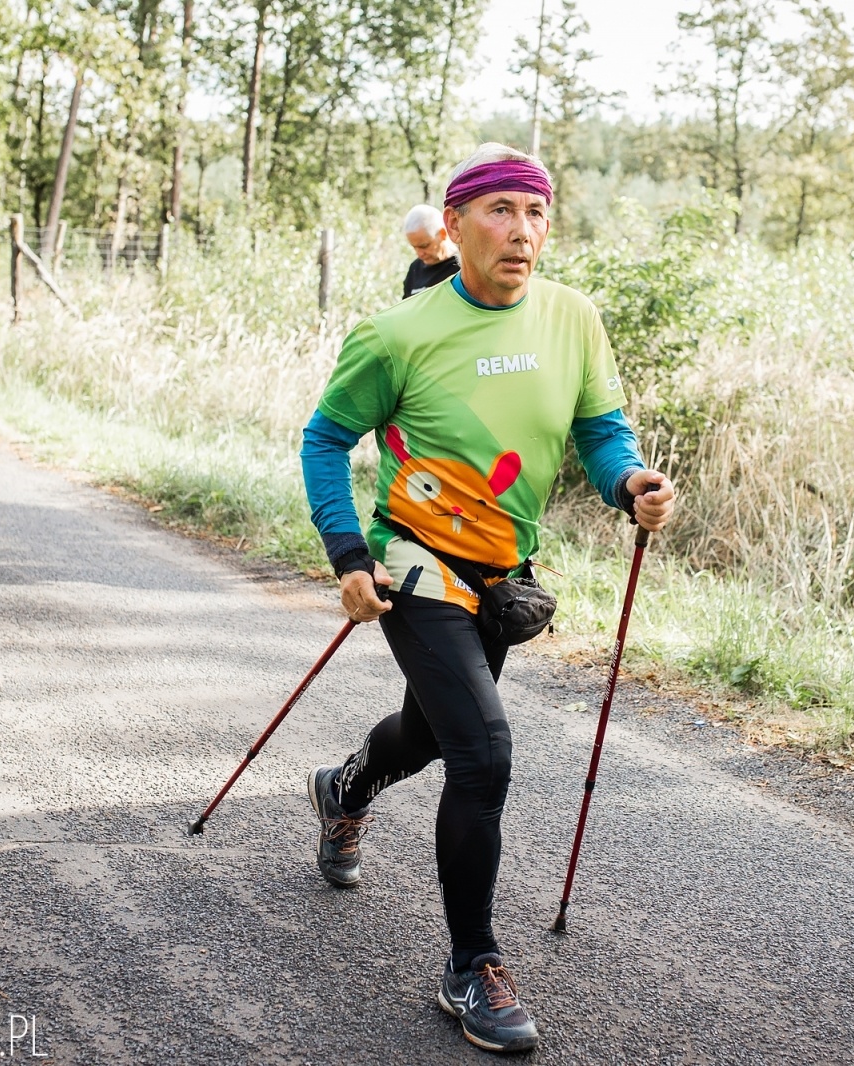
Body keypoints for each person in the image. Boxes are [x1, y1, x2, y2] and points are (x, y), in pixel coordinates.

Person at [298, 143, 675, 1053]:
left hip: (504, 570)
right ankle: (472, 966)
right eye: (501, 210)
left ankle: (345, 788)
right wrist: (348, 554)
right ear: (456, 223)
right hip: (415, 559)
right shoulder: (399, 334)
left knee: (432, 734)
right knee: (483, 751)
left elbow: (601, 430)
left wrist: (630, 482)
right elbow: (325, 441)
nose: (521, 230)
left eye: (536, 212)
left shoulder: (572, 318)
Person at [401, 204, 461, 299]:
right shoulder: (415, 269)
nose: (420, 254)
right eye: (414, 247)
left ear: (442, 234)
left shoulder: (462, 266)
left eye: (424, 246)